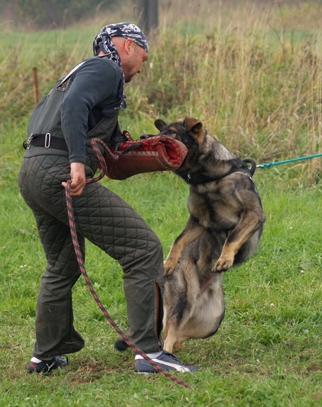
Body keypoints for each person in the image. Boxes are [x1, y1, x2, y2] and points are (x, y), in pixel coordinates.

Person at [18, 22, 197, 374]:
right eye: (144, 57)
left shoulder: (73, 76)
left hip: (32, 172)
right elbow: (74, 109)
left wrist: (143, 152)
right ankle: (149, 353)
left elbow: (108, 146)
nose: (142, 67)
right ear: (127, 46)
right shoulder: (105, 67)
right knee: (142, 248)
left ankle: (45, 355)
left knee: (61, 265)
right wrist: (75, 163)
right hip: (60, 172)